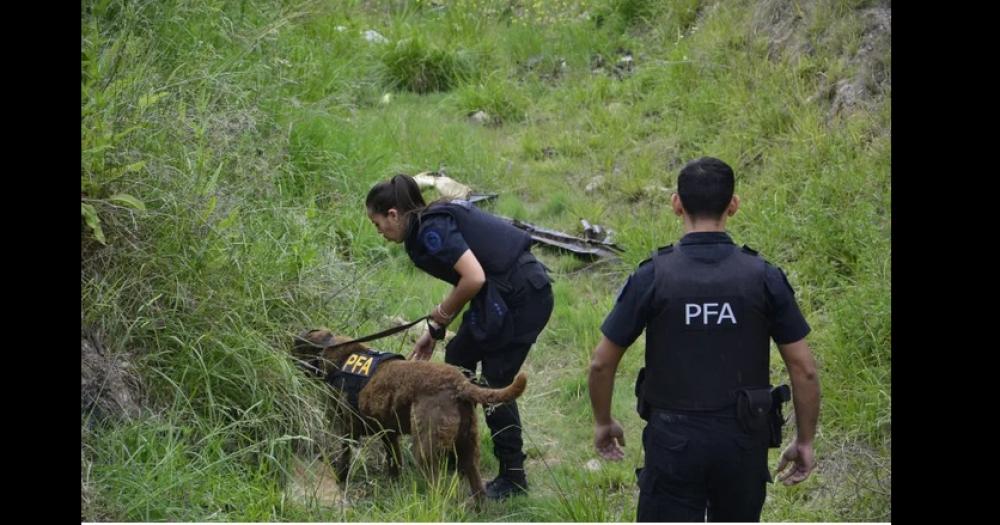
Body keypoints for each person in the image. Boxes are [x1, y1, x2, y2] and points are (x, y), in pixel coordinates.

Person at [586, 157, 821, 521]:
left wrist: (603, 422)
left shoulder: (652, 276)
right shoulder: (763, 277)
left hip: (672, 443)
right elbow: (804, 369)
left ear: (677, 204)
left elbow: (602, 362)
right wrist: (805, 441)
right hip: (743, 441)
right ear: (734, 205)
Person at [365, 173, 554, 499]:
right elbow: (467, 277)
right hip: (499, 296)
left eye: (378, 223)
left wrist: (439, 314)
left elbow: (473, 277)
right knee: (458, 358)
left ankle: (513, 476)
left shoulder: (432, 230)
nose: (379, 231)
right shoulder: (425, 227)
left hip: (524, 297)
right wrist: (434, 332)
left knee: (495, 379)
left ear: (393, 214)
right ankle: (457, 446)